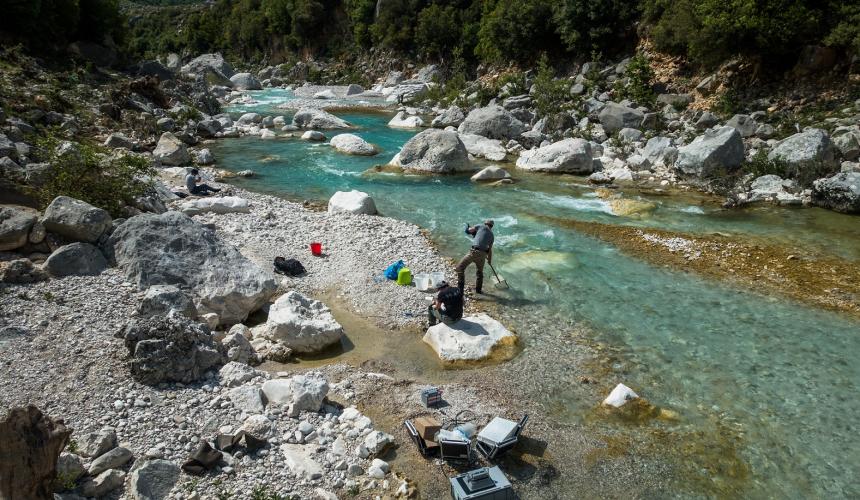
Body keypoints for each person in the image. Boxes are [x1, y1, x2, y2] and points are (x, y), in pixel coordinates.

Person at [456, 220, 494, 294]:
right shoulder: (492, 235)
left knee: (459, 268)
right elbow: (490, 250)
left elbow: (468, 231)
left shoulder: (480, 226)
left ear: (485, 224)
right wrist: (489, 260)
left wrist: (467, 227)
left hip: (474, 252)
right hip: (483, 255)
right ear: (491, 227)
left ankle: (460, 291)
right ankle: (478, 291)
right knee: (479, 273)